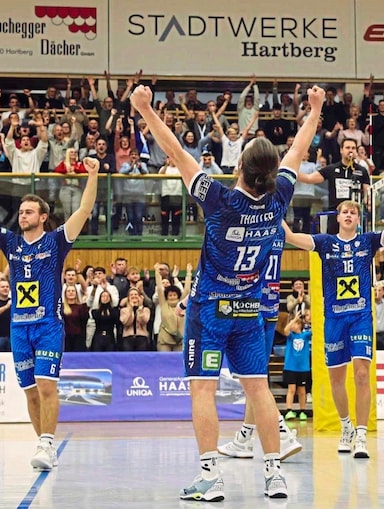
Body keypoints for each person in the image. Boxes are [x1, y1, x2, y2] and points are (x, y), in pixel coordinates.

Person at [129, 82, 325, 502]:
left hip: (211, 309)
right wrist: (315, 110)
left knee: (203, 389)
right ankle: (274, 476)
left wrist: (145, 108)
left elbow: (175, 153)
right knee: (258, 389)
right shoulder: (280, 198)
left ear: (239, 168)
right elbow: (299, 150)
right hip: (250, 309)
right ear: (272, 174)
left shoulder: (218, 200)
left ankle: (209, 476)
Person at [0, 156, 99, 471]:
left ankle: (47, 442)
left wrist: (93, 174)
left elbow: (83, 210)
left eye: (29, 211)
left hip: (48, 325)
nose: (22, 215)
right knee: (29, 391)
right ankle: (42, 444)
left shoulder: (57, 241)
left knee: (46, 386)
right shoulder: (10, 242)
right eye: (20, 211)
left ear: (43, 217)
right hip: (19, 328)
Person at [281, 174, 384, 459]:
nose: (348, 215)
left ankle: (360, 434)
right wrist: (276, 207)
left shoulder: (368, 241)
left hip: (359, 317)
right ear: (338, 217)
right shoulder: (325, 243)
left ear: (358, 219)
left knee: (361, 373)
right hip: (332, 319)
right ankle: (345, 427)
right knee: (336, 379)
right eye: (344, 211)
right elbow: (291, 237)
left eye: (353, 212)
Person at [218, 227, 303, 462]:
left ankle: (283, 434)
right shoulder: (276, 229)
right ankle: (244, 439)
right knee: (255, 379)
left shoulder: (252, 227)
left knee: (252, 381)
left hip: (249, 307)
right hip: (270, 307)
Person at [282, 310, 312, 420]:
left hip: (303, 368)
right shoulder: (290, 336)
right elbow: (285, 330)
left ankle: (302, 411)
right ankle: (289, 410)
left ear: (299, 325)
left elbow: (315, 330)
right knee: (291, 389)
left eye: (295, 323)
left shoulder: (305, 335)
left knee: (302, 390)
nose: (292, 325)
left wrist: (309, 319)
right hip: (291, 367)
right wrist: (293, 319)